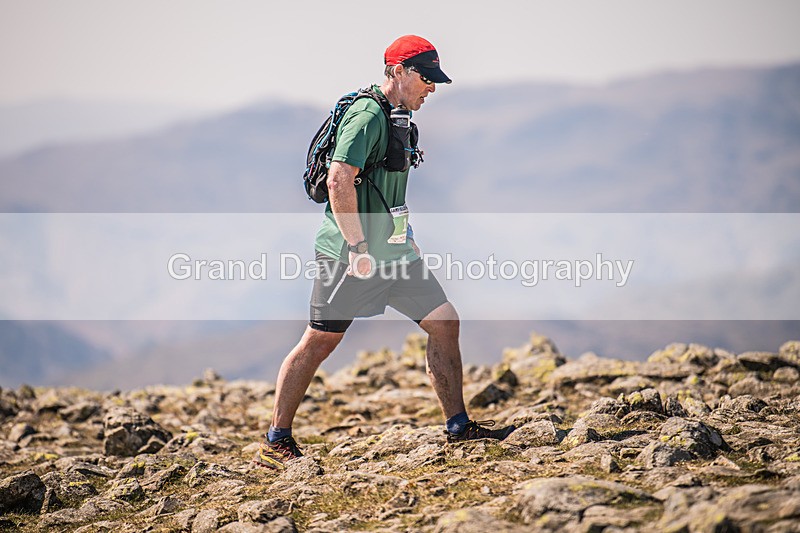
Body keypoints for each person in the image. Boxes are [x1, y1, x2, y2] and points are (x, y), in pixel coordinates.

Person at [253, 35, 515, 470]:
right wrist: (357, 246)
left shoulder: (399, 116)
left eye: (435, 80)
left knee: (444, 322)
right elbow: (339, 179)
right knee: (319, 341)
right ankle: (275, 440)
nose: (431, 87)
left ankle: (458, 427)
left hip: (393, 253)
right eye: (425, 78)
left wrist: (404, 234)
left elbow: (385, 187)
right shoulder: (367, 116)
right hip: (350, 254)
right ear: (397, 72)